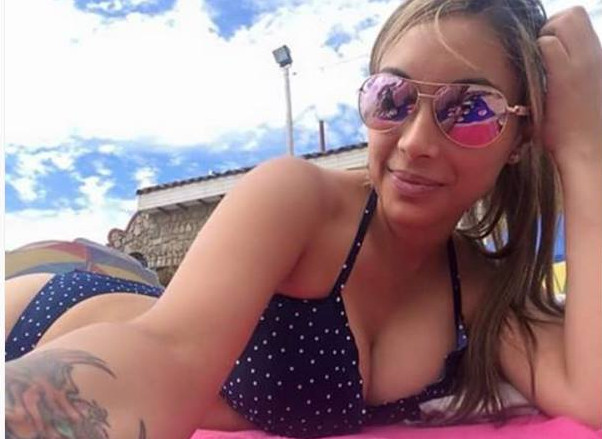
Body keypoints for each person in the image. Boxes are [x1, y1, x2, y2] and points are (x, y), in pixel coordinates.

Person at [5, 0, 601, 438]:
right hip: (45, 323)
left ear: (522, 136)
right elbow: (165, 353)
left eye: (470, 109)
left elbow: (591, 390)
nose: (416, 141)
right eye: (391, 98)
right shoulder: (298, 200)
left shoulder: (479, 290)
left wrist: (584, 147)